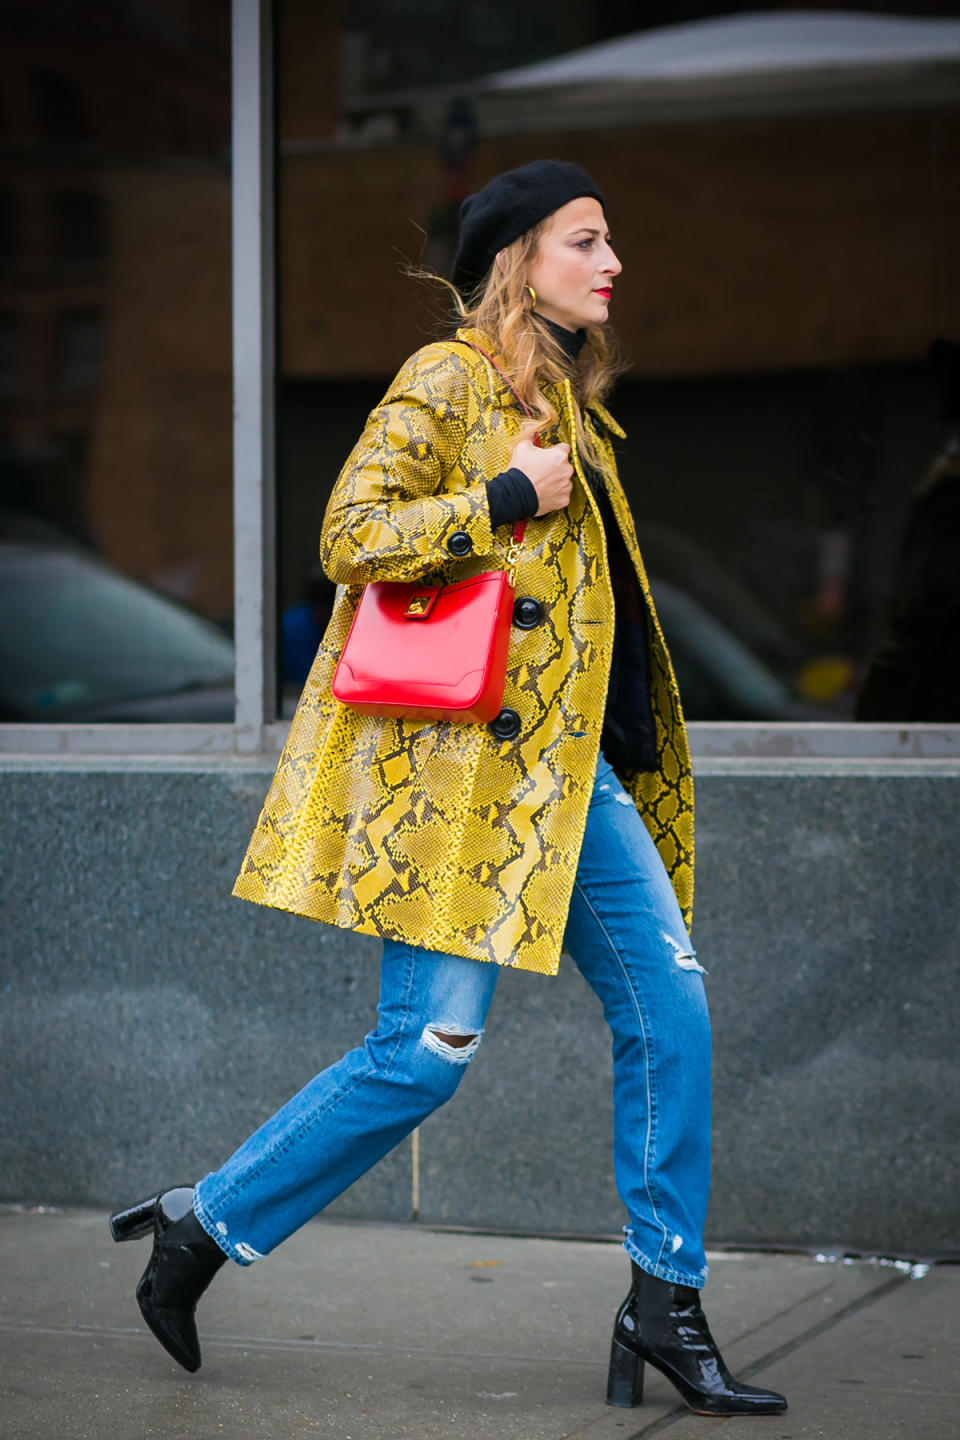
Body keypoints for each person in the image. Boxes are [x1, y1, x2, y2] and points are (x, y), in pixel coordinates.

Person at [110, 160, 787, 1418]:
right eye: (588, 240)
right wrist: (498, 500)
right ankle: (202, 1227)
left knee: (675, 1011)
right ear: (523, 257)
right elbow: (348, 535)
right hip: (465, 789)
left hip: (570, 782)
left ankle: (663, 1302)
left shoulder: (574, 407)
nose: (614, 264)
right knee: (424, 1056)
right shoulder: (447, 381)